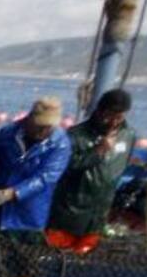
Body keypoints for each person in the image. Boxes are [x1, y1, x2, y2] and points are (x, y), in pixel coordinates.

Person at [46, 88, 136, 254]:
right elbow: (63, 167)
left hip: (99, 213)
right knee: (53, 254)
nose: (113, 122)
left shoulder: (128, 135)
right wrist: (97, 151)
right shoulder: (75, 136)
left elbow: (121, 166)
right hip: (69, 211)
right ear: (100, 111)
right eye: (109, 116)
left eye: (119, 117)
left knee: (85, 257)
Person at [0, 96, 72, 242]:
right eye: (40, 126)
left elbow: (46, 177)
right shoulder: (8, 133)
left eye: (48, 127)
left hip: (29, 215)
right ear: (30, 118)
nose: (43, 131)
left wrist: (13, 193)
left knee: (25, 259)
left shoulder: (60, 144)